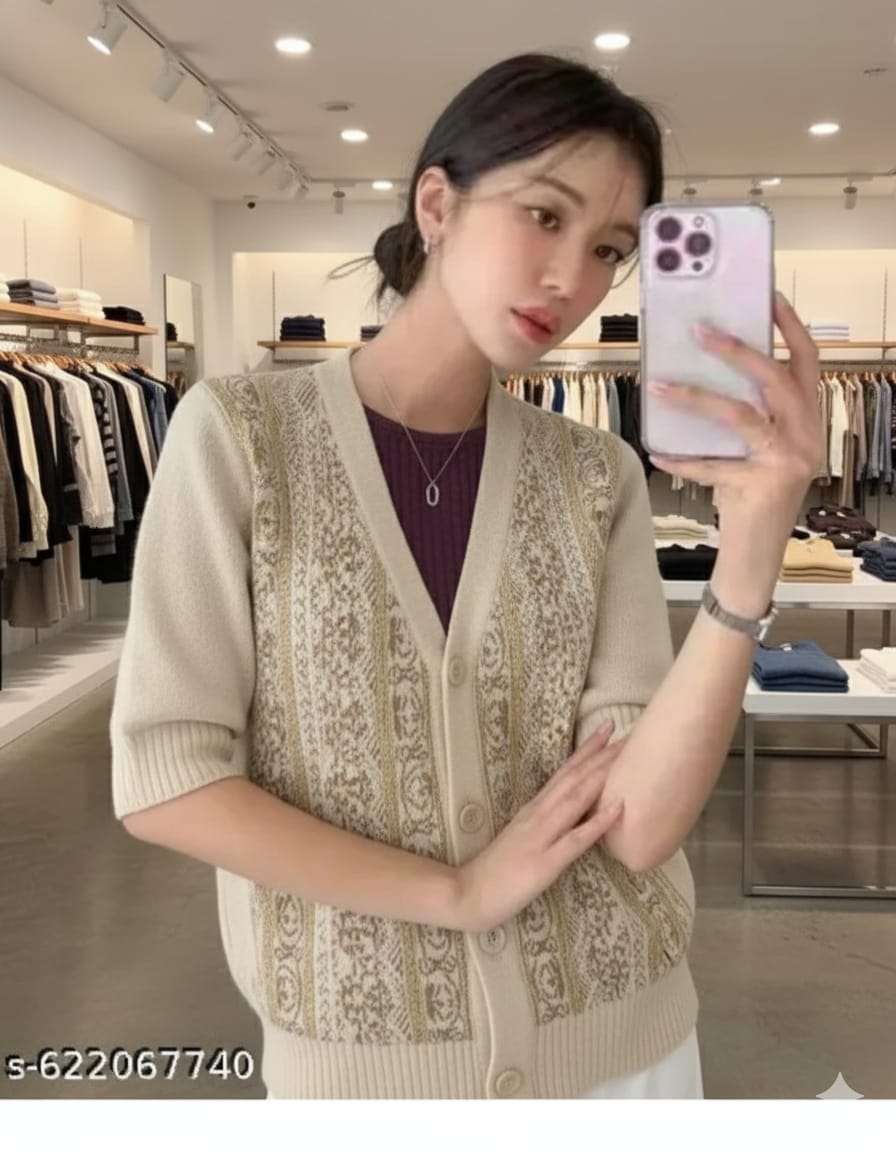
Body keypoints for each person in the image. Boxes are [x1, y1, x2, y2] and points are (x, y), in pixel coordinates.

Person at [110, 52, 820, 1099]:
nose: (571, 279)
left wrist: (756, 541)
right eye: (543, 215)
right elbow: (167, 778)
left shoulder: (596, 475)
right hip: (365, 1070)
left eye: (608, 249)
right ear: (436, 204)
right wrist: (455, 893)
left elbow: (638, 826)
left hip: (624, 1053)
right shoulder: (242, 438)